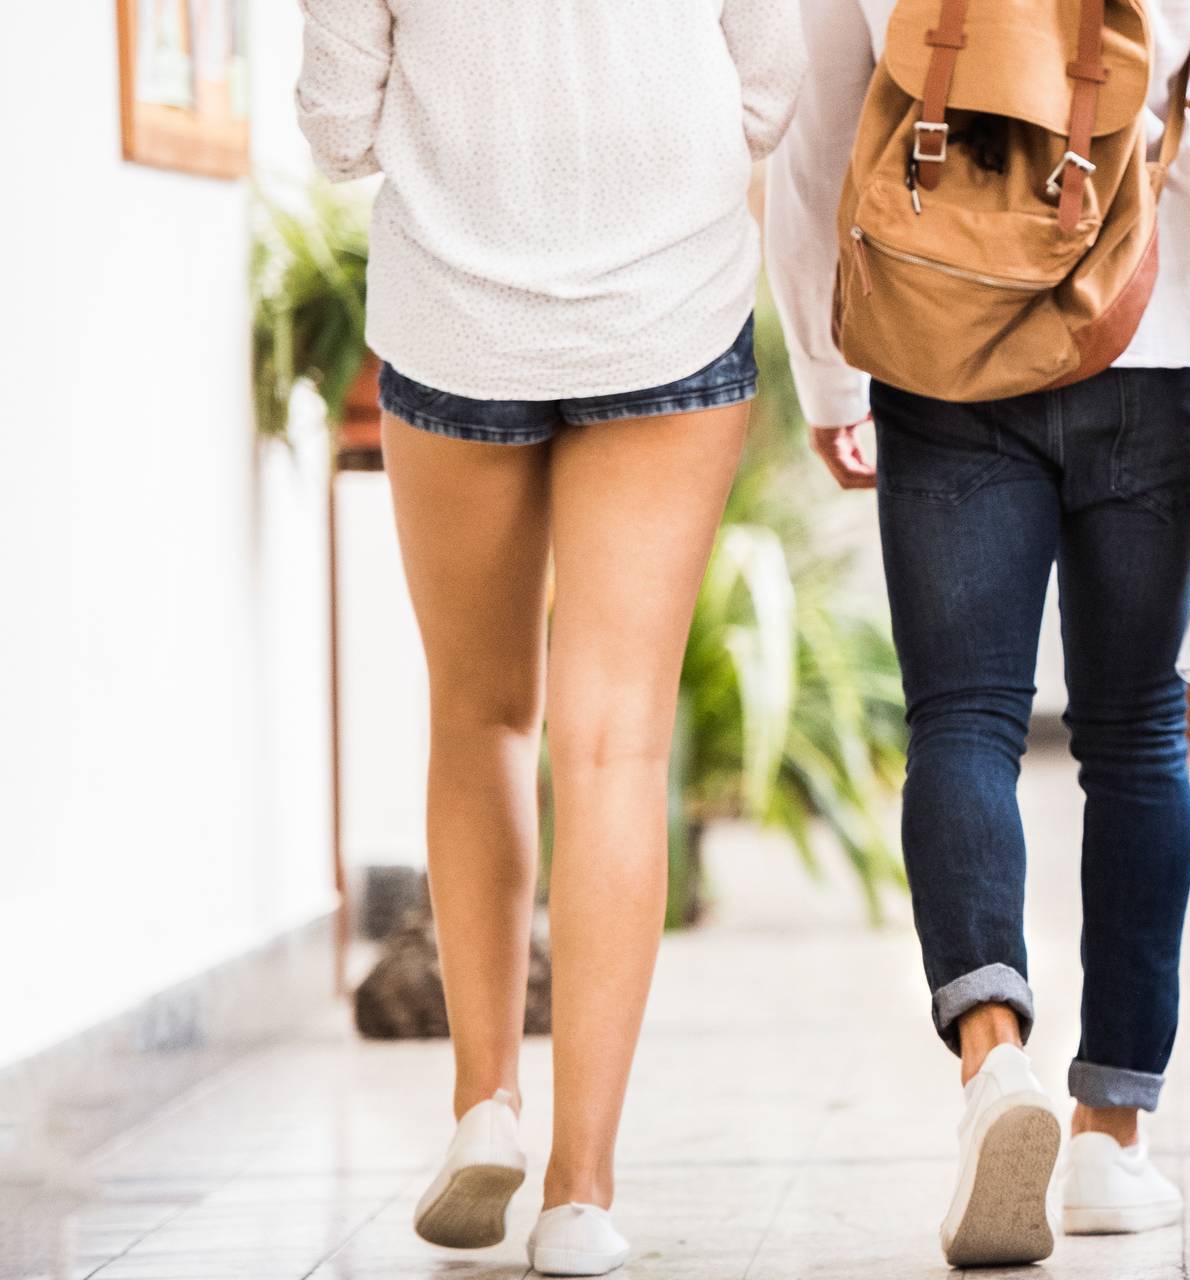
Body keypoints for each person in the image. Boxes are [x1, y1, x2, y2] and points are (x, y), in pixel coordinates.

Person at [764, 0, 1190, 1265]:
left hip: (935, 335)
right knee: (1135, 739)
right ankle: (1110, 1137)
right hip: (1146, 330)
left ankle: (992, 1059)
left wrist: (824, 364)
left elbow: (816, 134)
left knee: (962, 717)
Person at [294, 1, 799, 1273]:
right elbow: (770, 84)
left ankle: (483, 1104)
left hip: (457, 311)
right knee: (615, 741)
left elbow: (338, 123)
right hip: (667, 300)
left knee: (479, 712)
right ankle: (581, 1190)